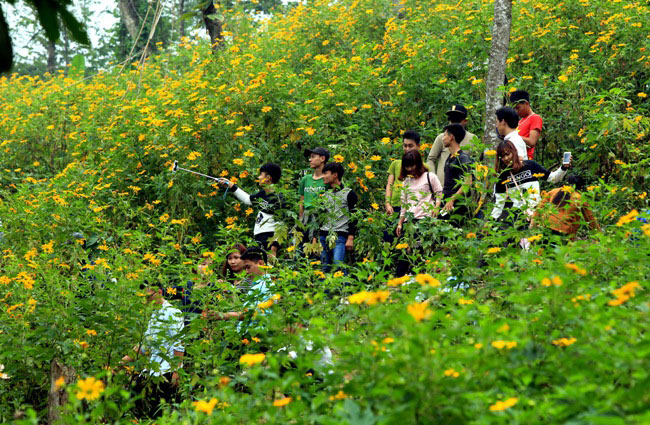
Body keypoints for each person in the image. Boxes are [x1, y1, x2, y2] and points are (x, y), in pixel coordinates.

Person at [122, 282, 185, 417]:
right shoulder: (154, 314)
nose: (147, 300)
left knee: (160, 413)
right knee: (134, 403)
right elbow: (145, 346)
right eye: (144, 297)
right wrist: (121, 364)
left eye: (149, 296)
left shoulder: (172, 312)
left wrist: (177, 371)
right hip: (152, 370)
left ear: (160, 292)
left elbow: (178, 343)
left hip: (166, 371)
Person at [490, 140, 570, 226]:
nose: (506, 158)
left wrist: (564, 167)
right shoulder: (502, 176)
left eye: (507, 154)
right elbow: (499, 203)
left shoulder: (530, 166)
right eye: (502, 156)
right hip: (518, 217)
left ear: (514, 152)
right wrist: (491, 222)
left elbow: (552, 178)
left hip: (537, 211)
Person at [220, 163, 285, 257]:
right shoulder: (262, 194)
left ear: (268, 178)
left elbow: (282, 223)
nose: (258, 177)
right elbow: (248, 199)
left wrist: (274, 247)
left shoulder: (279, 198)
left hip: (269, 238)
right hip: (259, 236)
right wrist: (231, 185)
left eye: (260, 175)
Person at [395, 150, 442, 277]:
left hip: (425, 219)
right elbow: (404, 204)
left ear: (418, 164)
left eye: (412, 165)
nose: (410, 169)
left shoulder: (429, 177)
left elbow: (439, 193)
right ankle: (400, 278)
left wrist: (436, 208)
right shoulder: (406, 182)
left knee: (419, 251)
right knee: (404, 252)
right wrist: (400, 223)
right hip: (410, 221)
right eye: (407, 166)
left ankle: (415, 278)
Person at [317, 162, 358, 274]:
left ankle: (342, 291)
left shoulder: (349, 193)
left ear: (335, 175)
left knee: (338, 266)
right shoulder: (324, 194)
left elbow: (354, 216)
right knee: (324, 267)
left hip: (340, 235)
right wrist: (316, 237)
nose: (323, 176)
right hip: (324, 235)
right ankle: (325, 291)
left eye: (326, 173)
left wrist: (351, 237)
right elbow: (320, 217)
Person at [532, 175, 600, 238]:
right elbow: (590, 219)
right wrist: (599, 236)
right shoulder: (580, 198)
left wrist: (533, 225)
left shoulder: (553, 191)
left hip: (545, 227)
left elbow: (539, 208)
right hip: (564, 232)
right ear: (581, 187)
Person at [426, 104, 478, 184]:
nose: (453, 123)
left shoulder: (472, 139)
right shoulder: (442, 138)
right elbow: (431, 159)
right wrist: (433, 178)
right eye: (451, 120)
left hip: (462, 189)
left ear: (465, 121)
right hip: (442, 187)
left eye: (457, 120)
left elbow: (476, 162)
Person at [440, 123, 474, 225]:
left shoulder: (463, 158)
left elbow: (468, 182)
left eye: (444, 135)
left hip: (456, 206)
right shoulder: (449, 157)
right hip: (446, 203)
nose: (442, 138)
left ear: (451, 137)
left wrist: (453, 199)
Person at [385, 130, 424, 216]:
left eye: (410, 146)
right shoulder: (395, 164)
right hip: (395, 206)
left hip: (414, 207)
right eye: (405, 146)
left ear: (418, 146)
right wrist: (387, 204)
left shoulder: (424, 167)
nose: (407, 149)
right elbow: (389, 184)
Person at [299, 148, 329, 250]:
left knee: (317, 248)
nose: (310, 160)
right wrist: (300, 220)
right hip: (306, 218)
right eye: (309, 157)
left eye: (313, 157)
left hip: (320, 218)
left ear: (322, 158)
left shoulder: (327, 180)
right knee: (301, 247)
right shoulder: (305, 179)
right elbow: (301, 201)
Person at [510, 90, 543, 160]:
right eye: (514, 108)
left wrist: (513, 136)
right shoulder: (520, 121)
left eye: (518, 108)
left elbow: (532, 141)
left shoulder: (535, 118)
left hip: (525, 158)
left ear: (526, 104)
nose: (516, 111)